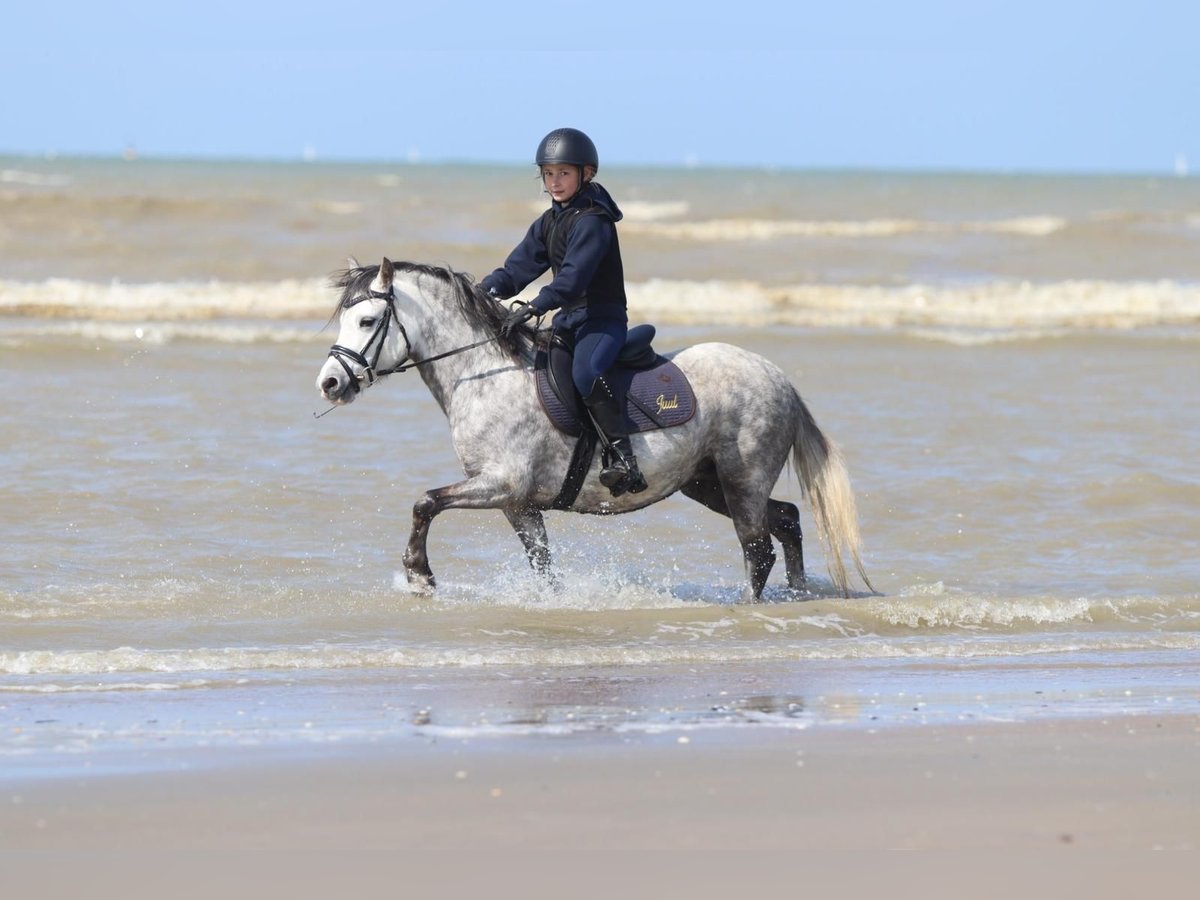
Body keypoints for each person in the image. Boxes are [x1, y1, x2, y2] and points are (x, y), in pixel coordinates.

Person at [481, 127, 647, 497]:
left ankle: (624, 460)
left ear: (585, 174)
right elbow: (517, 269)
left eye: (563, 174)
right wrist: (482, 290)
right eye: (548, 174)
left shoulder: (593, 220)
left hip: (602, 321)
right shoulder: (550, 221)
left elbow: (572, 279)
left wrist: (536, 305)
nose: (554, 182)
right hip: (569, 322)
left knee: (586, 372)